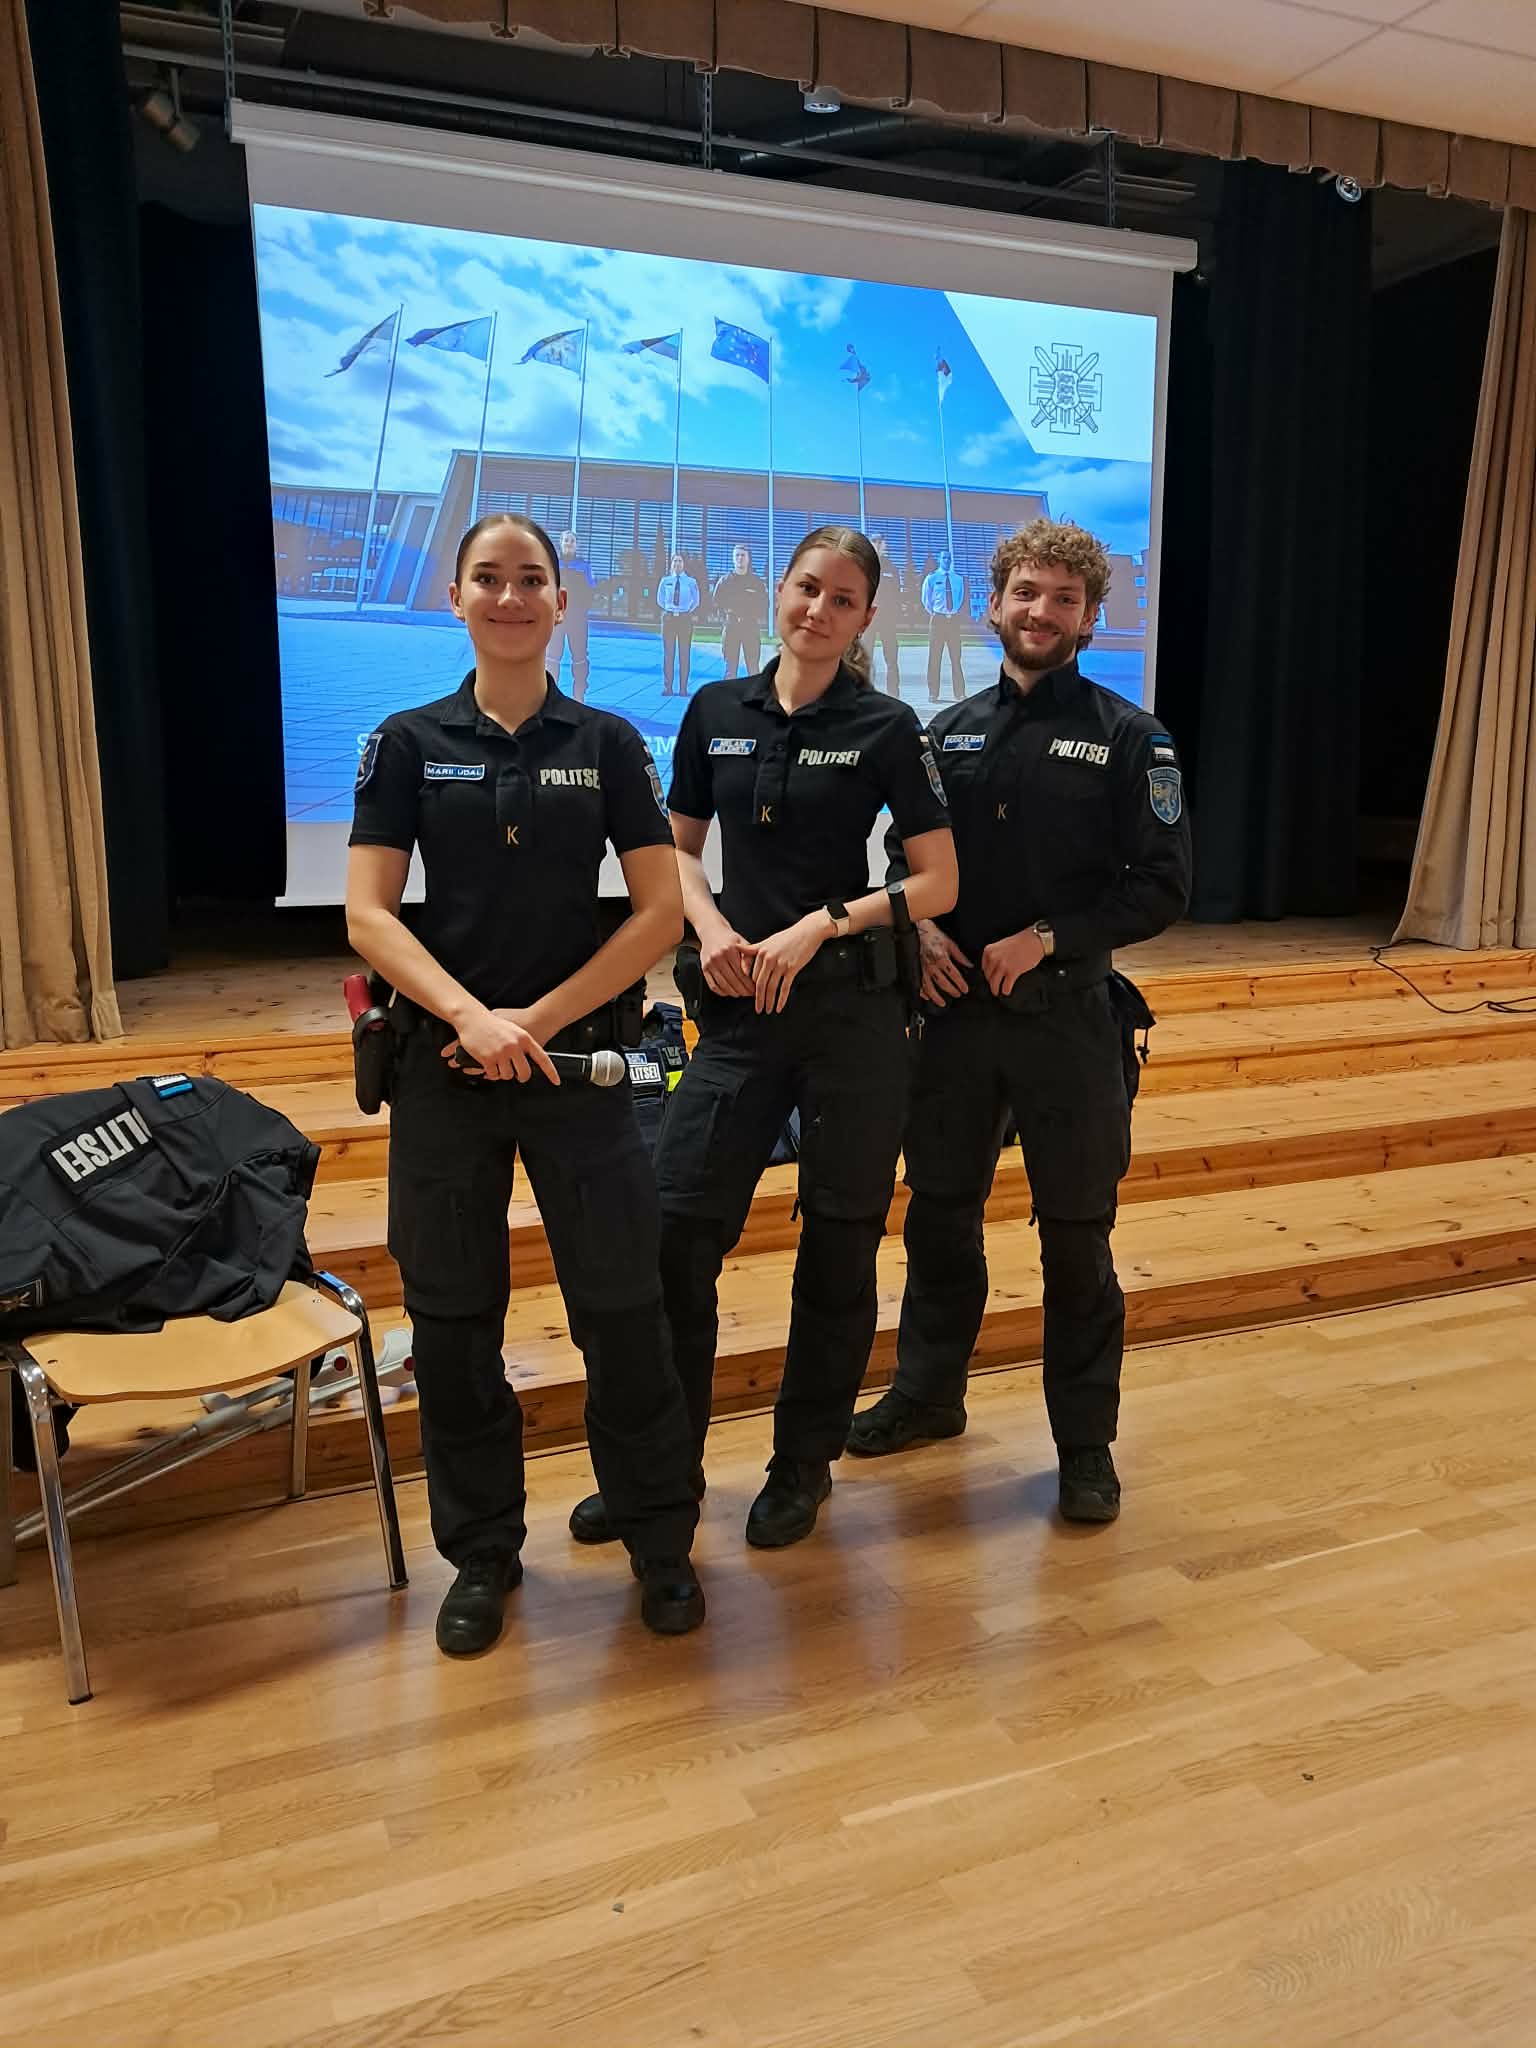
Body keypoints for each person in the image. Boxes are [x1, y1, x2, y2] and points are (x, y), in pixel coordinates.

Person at [346, 511, 705, 1653]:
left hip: (578, 1064)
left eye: (531, 578)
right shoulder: (405, 741)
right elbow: (368, 914)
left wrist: (533, 1024)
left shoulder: (610, 743)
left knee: (623, 1310)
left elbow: (658, 913)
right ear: (455, 596)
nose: (510, 596)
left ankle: (659, 1538)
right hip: (444, 1067)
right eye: (488, 578)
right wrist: (471, 1017)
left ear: (561, 599)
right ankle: (483, 1553)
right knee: (453, 1326)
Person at [568, 526, 958, 1552]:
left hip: (854, 1019)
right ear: (779, 591)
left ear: (866, 618)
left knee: (839, 1243)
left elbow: (938, 881)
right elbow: (677, 850)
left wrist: (822, 923)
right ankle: (662, 1472)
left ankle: (802, 1466)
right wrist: (707, 925)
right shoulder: (715, 710)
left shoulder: (886, 725)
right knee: (673, 1237)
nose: (819, 610)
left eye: (844, 599)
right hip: (741, 1012)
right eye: (807, 588)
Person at [847, 518, 1192, 1522]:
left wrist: (1046, 937)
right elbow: (903, 863)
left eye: (1064, 599)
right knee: (939, 1215)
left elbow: (1161, 887)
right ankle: (928, 1394)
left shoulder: (1134, 738)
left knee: (1077, 1237)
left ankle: (1085, 1445)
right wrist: (920, 932)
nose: (1042, 612)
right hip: (953, 1021)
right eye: (1026, 593)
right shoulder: (942, 732)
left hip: (1067, 1022)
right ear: (993, 604)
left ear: (1090, 619)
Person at [548, 529, 594, 701]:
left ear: (577, 545)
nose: (569, 543)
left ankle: (579, 695)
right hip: (557, 619)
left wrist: (581, 610)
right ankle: (551, 695)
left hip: (577, 619)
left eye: (572, 541)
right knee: (552, 657)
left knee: (580, 657)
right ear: (561, 543)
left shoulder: (584, 567)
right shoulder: (553, 564)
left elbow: (591, 591)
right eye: (566, 540)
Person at [712, 543, 769, 678]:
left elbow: (764, 603)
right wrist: (725, 618)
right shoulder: (725, 581)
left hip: (750, 627)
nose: (740, 558)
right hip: (731, 627)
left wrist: (754, 616)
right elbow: (716, 602)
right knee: (730, 670)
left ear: (748, 558)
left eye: (743, 555)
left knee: (753, 669)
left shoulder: (756, 582)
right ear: (733, 558)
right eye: (737, 555)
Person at [921, 547, 967, 702]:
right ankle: (933, 693)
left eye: (948, 558)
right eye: (944, 558)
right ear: (939, 560)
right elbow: (926, 599)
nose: (946, 561)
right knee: (935, 657)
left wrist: (952, 612)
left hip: (953, 621)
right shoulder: (932, 578)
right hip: (938, 620)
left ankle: (959, 693)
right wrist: (935, 612)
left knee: (956, 658)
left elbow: (960, 598)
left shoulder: (958, 579)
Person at [657, 552, 700, 696]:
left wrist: (685, 611)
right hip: (669, 619)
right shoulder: (665, 581)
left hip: (684, 619)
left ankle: (683, 688)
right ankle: (668, 687)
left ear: (684, 564)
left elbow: (696, 600)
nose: (677, 564)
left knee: (684, 654)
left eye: (680, 561)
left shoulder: (691, 582)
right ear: (671, 564)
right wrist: (670, 609)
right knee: (669, 654)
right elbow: (660, 599)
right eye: (675, 561)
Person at [870, 533, 905, 696]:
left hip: (887, 619)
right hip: (868, 619)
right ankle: (865, 694)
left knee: (891, 657)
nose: (881, 545)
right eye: (877, 542)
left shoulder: (891, 568)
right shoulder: (863, 565)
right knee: (865, 657)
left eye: (882, 542)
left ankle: (894, 694)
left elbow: (897, 594)